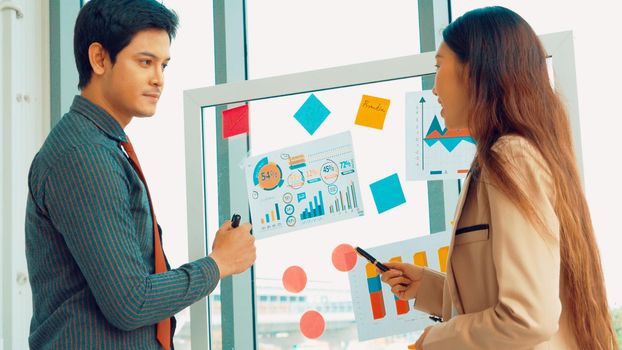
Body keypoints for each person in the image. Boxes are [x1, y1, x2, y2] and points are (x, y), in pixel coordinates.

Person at [381, 6, 617, 350]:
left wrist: (432, 342)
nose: (433, 89)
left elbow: (527, 318)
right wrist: (429, 288)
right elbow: (510, 294)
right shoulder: (512, 155)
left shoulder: (512, 157)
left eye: (438, 67)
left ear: (475, 69)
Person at [25, 0, 256, 349]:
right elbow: (130, 303)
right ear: (100, 58)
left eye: (163, 65)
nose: (158, 79)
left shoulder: (100, 145)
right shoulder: (83, 155)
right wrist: (218, 264)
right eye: (145, 62)